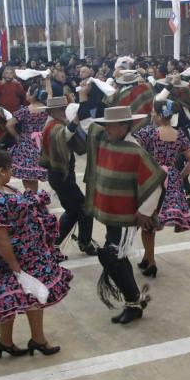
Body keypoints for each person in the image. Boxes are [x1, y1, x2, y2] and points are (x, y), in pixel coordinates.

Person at [0, 149, 70, 358]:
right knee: (30, 293)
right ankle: (37, 340)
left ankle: (7, 342)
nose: (12, 172)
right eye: (10, 168)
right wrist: (17, 269)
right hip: (14, 257)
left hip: (15, 253)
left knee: (11, 299)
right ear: (2, 171)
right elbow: (1, 239)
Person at [74, 106, 166, 325]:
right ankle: (134, 300)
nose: (106, 129)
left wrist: (144, 213)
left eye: (111, 126)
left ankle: (134, 301)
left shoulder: (134, 150)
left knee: (110, 255)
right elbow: (88, 128)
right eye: (105, 125)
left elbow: (156, 184)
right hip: (112, 214)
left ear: (124, 126)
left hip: (127, 216)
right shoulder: (106, 141)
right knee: (117, 256)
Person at [133, 100, 190, 277]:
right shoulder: (180, 134)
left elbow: (134, 152)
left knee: (148, 222)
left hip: (153, 179)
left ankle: (151, 262)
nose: (151, 115)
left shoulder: (148, 133)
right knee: (152, 221)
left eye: (153, 112)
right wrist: (179, 175)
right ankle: (147, 257)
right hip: (171, 179)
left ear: (160, 115)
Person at [37, 95, 96, 254]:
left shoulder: (54, 123)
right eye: (60, 109)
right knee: (83, 209)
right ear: (52, 111)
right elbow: (64, 136)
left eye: (64, 109)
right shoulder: (54, 126)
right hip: (61, 175)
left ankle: (55, 245)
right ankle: (83, 243)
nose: (63, 112)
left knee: (73, 210)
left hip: (59, 175)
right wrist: (76, 120)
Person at [10, 85, 49, 192]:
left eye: (28, 92)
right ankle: (34, 195)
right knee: (34, 173)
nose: (26, 94)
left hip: (26, 143)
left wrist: (16, 136)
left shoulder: (25, 110)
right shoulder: (46, 108)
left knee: (26, 174)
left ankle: (31, 196)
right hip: (40, 142)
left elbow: (9, 125)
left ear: (32, 96)